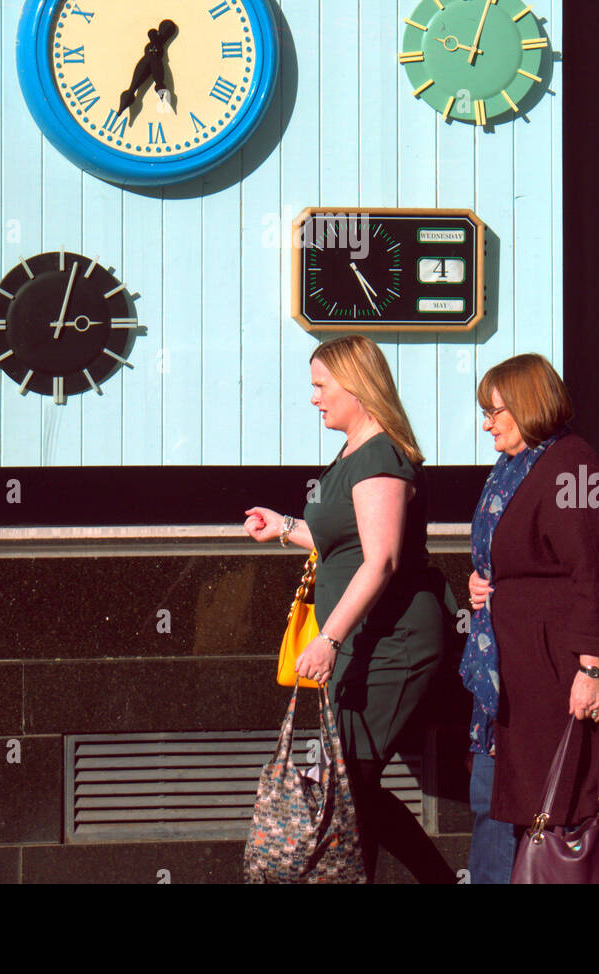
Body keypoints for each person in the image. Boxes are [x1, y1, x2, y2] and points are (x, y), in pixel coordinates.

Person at [461, 353, 599, 883]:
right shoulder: (518, 466)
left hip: (562, 677)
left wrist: (593, 671)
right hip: (523, 677)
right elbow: (518, 552)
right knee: (501, 801)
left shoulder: (571, 467)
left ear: (529, 409)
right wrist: (485, 582)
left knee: (550, 810)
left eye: (496, 411)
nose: (486, 423)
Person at [244, 335, 454, 884]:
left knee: (350, 780)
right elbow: (341, 537)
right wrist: (285, 527)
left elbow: (381, 559)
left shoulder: (381, 455)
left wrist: (329, 637)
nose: (314, 398)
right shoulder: (353, 454)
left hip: (393, 643)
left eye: (320, 386)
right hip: (362, 641)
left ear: (356, 387)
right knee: (348, 783)